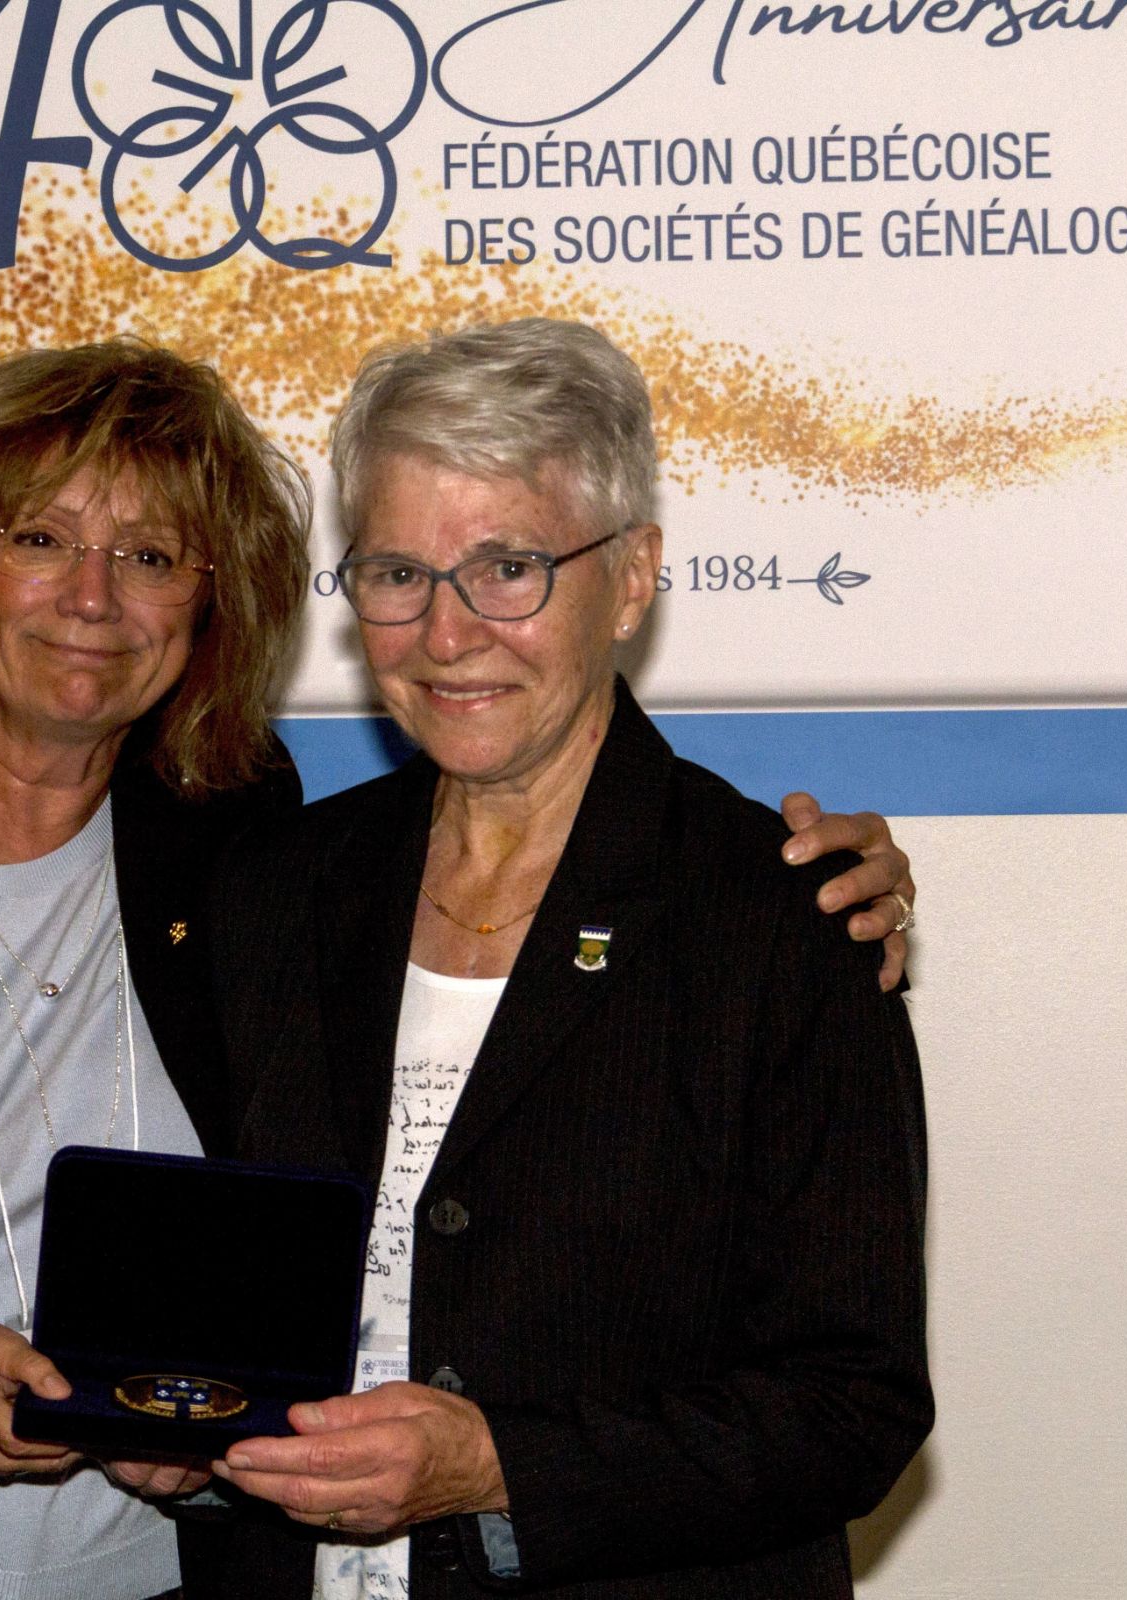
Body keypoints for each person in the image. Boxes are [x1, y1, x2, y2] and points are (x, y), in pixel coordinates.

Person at [0, 339, 918, 1599]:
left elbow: (848, 1393)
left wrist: (824, 886)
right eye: (41, 537)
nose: (92, 599)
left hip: (163, 1574)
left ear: (630, 579)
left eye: (153, 554)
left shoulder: (232, 843)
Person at [189, 319, 931, 1598]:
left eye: (509, 566)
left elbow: (851, 1402)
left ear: (632, 577)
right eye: (397, 573)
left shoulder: (779, 919)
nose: (447, 631)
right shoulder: (271, 889)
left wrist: (501, 1466)